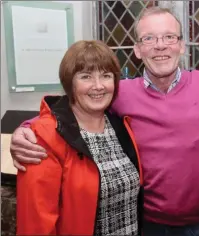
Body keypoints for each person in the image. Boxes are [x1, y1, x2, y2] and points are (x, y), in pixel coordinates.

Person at [11, 7, 199, 236]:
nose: (160, 45)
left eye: (169, 37)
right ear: (137, 50)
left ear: (182, 45)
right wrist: (27, 130)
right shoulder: (118, 93)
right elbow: (73, 105)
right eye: (149, 39)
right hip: (147, 224)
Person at [16, 40, 143, 236]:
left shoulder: (120, 127)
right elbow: (36, 225)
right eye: (86, 77)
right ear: (69, 83)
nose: (98, 86)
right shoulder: (44, 137)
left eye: (106, 76)